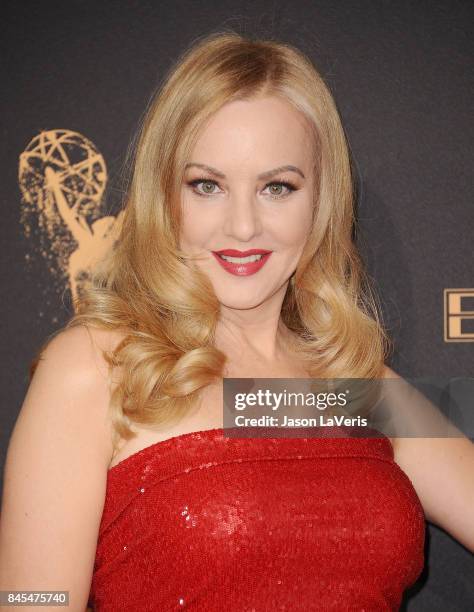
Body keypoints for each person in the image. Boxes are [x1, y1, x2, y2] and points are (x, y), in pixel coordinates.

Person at [1, 30, 473, 612]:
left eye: (277, 187)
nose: (243, 226)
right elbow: (32, 601)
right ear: (164, 198)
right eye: (208, 186)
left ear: (320, 201)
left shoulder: (349, 386)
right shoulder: (96, 366)